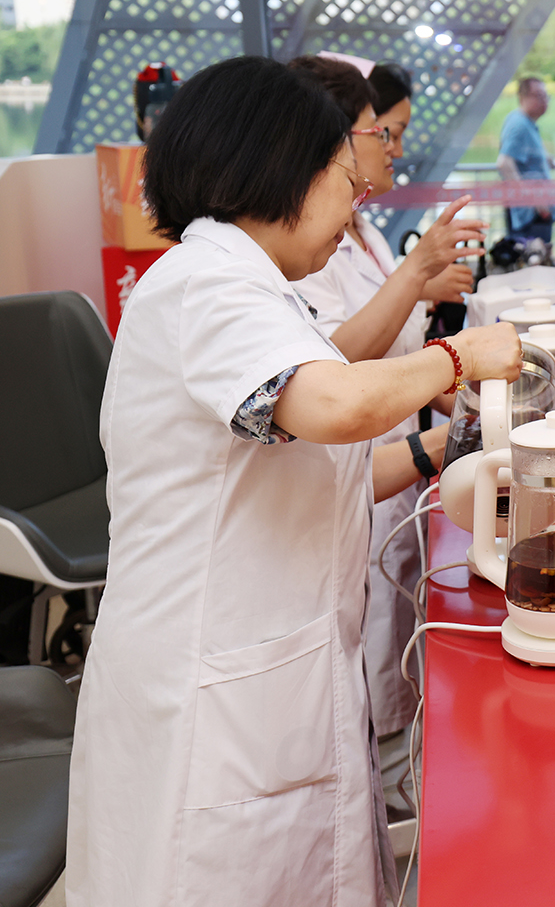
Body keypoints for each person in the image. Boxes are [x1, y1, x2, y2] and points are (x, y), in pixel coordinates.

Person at [67, 56, 521, 906]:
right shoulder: (204, 289)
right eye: (340, 176)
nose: (353, 200)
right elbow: (337, 405)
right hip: (213, 700)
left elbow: (324, 468)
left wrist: (435, 452)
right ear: (279, 169)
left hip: (278, 677)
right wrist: (458, 356)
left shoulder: (262, 294)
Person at [287, 55, 485, 804]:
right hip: (361, 468)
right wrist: (418, 285)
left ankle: (400, 780)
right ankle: (393, 784)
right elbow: (331, 369)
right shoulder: (299, 250)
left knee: (394, 638)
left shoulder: (356, 229)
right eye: (380, 132)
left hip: (392, 466)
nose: (391, 149)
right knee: (370, 650)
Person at [498, 75, 555, 244]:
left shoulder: (526, 123)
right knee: (534, 262)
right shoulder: (519, 125)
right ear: (522, 98)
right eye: (538, 95)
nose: (544, 100)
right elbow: (504, 163)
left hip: (535, 213)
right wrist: (533, 200)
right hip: (531, 216)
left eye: (546, 95)